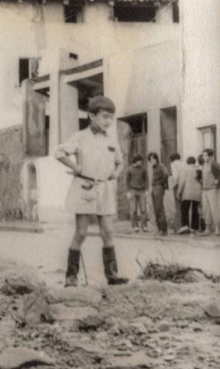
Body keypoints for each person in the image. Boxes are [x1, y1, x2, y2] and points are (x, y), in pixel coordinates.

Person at [52, 96, 128, 286]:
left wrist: (116, 174)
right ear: (92, 116)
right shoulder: (80, 137)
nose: (108, 121)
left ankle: (112, 275)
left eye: (111, 118)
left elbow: (120, 162)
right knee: (81, 233)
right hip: (84, 188)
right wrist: (76, 167)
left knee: (108, 232)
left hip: (104, 189)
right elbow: (59, 153)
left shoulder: (111, 140)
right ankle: (71, 277)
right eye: (104, 117)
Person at [199, 148, 220, 236]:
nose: (203, 157)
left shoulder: (214, 164)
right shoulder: (203, 164)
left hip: (212, 189)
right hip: (204, 189)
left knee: (214, 209)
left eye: (205, 155)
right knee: (206, 210)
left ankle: (217, 228)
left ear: (210, 156)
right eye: (203, 155)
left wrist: (217, 180)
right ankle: (208, 228)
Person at [124, 153, 149, 232]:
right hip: (133, 191)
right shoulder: (129, 169)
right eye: (139, 161)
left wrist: (147, 190)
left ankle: (144, 226)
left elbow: (147, 180)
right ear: (136, 161)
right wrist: (128, 192)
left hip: (141, 191)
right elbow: (127, 181)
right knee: (133, 209)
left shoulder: (144, 169)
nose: (140, 162)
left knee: (143, 209)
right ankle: (135, 226)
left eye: (141, 161)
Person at [177, 156, 202, 234]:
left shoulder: (185, 169)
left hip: (187, 192)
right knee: (195, 210)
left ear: (187, 162)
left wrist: (179, 191)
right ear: (194, 162)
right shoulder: (199, 169)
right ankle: (195, 227)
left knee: (185, 209)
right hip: (197, 193)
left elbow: (182, 181)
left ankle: (185, 226)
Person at [147, 152, 170, 236]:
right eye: (150, 159)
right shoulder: (152, 168)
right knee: (156, 209)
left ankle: (164, 229)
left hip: (158, 187)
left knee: (159, 208)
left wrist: (161, 183)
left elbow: (166, 174)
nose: (152, 160)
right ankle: (159, 228)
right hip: (153, 188)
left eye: (153, 158)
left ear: (156, 158)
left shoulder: (161, 166)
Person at [168, 152, 183, 233]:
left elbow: (175, 176)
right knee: (183, 205)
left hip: (177, 186)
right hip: (184, 186)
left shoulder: (173, 164)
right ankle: (185, 225)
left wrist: (173, 185)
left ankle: (178, 227)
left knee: (177, 206)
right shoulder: (183, 163)